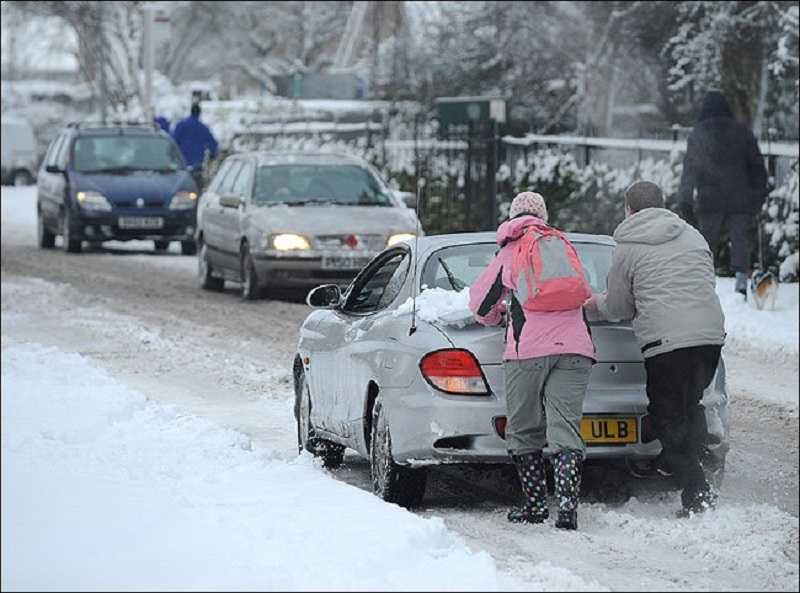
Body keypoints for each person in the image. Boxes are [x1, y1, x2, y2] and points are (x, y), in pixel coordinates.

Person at [584, 181, 726, 517]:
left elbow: (618, 306)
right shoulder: (693, 235)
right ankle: (679, 462)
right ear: (663, 205)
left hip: (667, 343)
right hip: (709, 337)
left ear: (628, 208)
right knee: (689, 404)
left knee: (666, 416)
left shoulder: (627, 247)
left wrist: (592, 305)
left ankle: (697, 492)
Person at [469, 192, 595, 530]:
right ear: (543, 215)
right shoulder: (562, 243)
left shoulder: (510, 251)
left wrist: (499, 314)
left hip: (528, 352)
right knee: (566, 427)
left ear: (512, 216)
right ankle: (568, 509)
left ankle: (536, 506)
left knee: (524, 429)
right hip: (575, 350)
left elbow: (481, 305)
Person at [677, 89, 769, 297]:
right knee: (740, 242)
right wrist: (759, 195)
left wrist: (685, 199)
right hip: (740, 199)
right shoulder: (743, 132)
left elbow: (690, 168)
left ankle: (701, 285)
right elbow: (757, 167)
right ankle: (741, 284)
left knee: (704, 242)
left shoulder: (699, 133)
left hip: (710, 199)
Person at [172, 103, 218, 190]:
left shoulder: (180, 125)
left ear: (191, 111)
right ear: (199, 113)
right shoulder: (203, 128)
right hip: (196, 168)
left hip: (180, 166)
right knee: (196, 192)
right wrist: (212, 155)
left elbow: (172, 143)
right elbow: (213, 145)